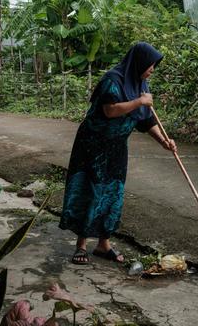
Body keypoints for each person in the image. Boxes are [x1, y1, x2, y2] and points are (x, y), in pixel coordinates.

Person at [59, 42, 177, 265]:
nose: (152, 69)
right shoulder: (113, 80)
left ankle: (104, 245)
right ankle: (81, 245)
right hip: (92, 145)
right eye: (151, 64)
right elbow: (109, 110)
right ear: (139, 61)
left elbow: (146, 119)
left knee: (113, 192)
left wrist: (163, 141)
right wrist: (139, 101)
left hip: (116, 147)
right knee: (89, 189)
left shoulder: (141, 85)